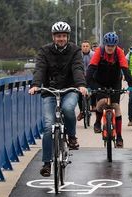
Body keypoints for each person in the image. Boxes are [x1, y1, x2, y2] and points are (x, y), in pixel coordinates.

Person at [29, 21, 87, 177]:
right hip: (50, 91)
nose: (61, 39)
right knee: (48, 127)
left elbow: (78, 68)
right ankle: (47, 163)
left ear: (67, 37)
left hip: (70, 89)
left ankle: (72, 136)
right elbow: (40, 68)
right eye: (58, 36)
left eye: (63, 36)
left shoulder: (75, 50)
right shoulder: (44, 51)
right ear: (53, 37)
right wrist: (35, 85)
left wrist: (81, 85)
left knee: (68, 109)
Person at [86, 32, 132, 148]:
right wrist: (88, 84)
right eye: (108, 46)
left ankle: (119, 137)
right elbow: (91, 68)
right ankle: (98, 122)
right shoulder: (99, 51)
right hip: (99, 81)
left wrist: (131, 84)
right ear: (105, 45)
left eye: (112, 46)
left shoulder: (119, 52)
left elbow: (125, 69)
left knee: (115, 106)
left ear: (115, 46)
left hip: (114, 82)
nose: (110, 48)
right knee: (101, 102)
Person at [77, 40, 95, 121]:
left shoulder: (94, 55)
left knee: (94, 90)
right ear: (81, 48)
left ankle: (93, 105)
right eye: (83, 46)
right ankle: (81, 111)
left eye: (87, 46)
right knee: (79, 94)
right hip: (81, 78)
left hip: (91, 77)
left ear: (90, 47)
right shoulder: (78, 55)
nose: (85, 48)